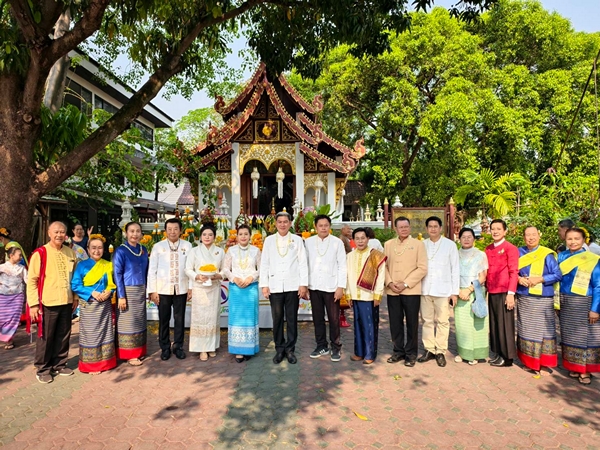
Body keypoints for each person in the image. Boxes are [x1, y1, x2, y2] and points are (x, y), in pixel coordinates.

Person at [27, 221, 78, 384]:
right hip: (47, 302)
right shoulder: (40, 253)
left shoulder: (71, 253)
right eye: (56, 232)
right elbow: (32, 280)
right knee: (46, 336)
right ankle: (43, 368)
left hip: (66, 300)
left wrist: (75, 298)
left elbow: (75, 278)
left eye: (62, 232)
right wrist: (33, 304)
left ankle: (59, 364)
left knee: (63, 335)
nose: (59, 235)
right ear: (49, 233)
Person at [260, 211, 308, 365]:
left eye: (285, 222)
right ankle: (280, 349)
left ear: (290, 223)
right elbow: (264, 263)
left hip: (293, 285)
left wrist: (303, 284)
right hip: (275, 286)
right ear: (275, 224)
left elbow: (302, 263)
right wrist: (264, 285)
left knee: (292, 319)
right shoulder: (269, 240)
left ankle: (290, 349)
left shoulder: (297, 240)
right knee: (277, 319)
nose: (282, 224)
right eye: (279, 222)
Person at [516, 226, 562, 375]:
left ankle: (544, 364)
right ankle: (529, 362)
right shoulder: (518, 252)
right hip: (525, 297)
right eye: (527, 235)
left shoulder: (546, 254)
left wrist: (540, 279)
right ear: (523, 237)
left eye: (533, 234)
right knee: (526, 330)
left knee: (544, 331)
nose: (531, 237)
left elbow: (557, 275)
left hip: (543, 298)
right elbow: (511, 271)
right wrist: (518, 279)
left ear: (539, 236)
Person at [558, 227, 600, 385]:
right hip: (566, 302)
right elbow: (557, 280)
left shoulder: (592, 259)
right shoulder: (561, 256)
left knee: (586, 338)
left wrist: (595, 309)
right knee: (570, 336)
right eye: (569, 239)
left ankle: (586, 371)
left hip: (585, 302)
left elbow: (598, 285)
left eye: (577, 238)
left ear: (583, 240)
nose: (573, 242)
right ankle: (575, 367)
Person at [384, 217, 427, 367]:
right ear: (395, 229)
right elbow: (384, 266)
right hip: (393, 290)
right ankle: (398, 351)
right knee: (395, 323)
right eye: (401, 227)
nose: (404, 229)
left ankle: (411, 354)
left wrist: (406, 283)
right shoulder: (388, 244)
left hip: (411, 290)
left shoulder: (418, 244)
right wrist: (389, 282)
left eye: (406, 227)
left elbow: (422, 268)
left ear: (410, 228)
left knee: (412, 323)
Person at [148, 218, 193, 361]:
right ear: (165, 231)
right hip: (163, 289)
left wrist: (191, 288)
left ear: (181, 230)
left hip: (181, 288)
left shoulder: (187, 246)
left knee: (180, 319)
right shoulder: (158, 246)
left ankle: (178, 347)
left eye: (175, 229)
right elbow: (152, 270)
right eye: (169, 229)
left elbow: (191, 268)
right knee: (164, 319)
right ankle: (165, 347)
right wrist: (152, 291)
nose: (172, 232)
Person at [71, 236, 117, 374]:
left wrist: (109, 291)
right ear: (88, 249)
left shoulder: (108, 265)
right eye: (94, 248)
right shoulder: (82, 265)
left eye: (100, 248)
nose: (97, 251)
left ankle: (106, 362)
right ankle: (92, 365)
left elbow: (112, 284)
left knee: (106, 333)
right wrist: (92, 292)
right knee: (91, 334)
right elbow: (75, 285)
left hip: (104, 304)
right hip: (89, 305)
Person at [418, 216, 459, 367]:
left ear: (440, 228)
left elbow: (455, 269)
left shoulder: (450, 245)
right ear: (426, 229)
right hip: (425, 289)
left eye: (436, 226)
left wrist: (454, 292)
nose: (433, 229)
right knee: (427, 321)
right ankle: (429, 349)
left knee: (443, 321)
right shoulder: (422, 245)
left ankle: (440, 350)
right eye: (430, 226)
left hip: (443, 290)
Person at [305, 215, 347, 362]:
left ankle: (336, 347)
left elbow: (342, 266)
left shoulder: (337, 242)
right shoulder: (308, 242)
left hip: (332, 286)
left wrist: (341, 287)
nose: (323, 228)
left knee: (334, 319)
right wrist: (305, 285)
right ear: (315, 227)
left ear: (330, 226)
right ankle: (321, 345)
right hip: (314, 285)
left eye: (326, 225)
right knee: (317, 318)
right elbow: (304, 264)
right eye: (320, 225)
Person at [346, 228, 386, 364]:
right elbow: (347, 276)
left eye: (363, 238)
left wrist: (378, 294)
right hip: (355, 295)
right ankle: (359, 352)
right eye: (357, 238)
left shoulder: (375, 255)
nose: (360, 241)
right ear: (353, 240)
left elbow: (381, 276)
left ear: (368, 239)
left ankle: (370, 354)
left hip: (369, 296)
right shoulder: (350, 256)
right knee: (357, 325)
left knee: (369, 325)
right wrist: (348, 294)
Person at [222, 224, 261, 362]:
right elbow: (225, 269)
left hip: (251, 288)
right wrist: (235, 278)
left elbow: (261, 268)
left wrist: (251, 278)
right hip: (236, 288)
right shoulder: (231, 250)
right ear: (237, 236)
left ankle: (249, 348)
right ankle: (238, 350)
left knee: (250, 318)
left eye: (246, 234)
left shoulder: (256, 250)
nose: (243, 236)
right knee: (237, 317)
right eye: (240, 234)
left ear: (250, 236)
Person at [185, 224, 225, 361]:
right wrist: (197, 276)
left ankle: (211, 346)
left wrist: (218, 275)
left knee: (213, 317)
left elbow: (224, 269)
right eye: (204, 235)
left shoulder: (220, 251)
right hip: (199, 287)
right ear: (200, 237)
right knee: (200, 318)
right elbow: (188, 269)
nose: (207, 237)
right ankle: (202, 348)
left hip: (214, 287)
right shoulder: (194, 251)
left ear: (214, 237)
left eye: (210, 235)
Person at [113, 221, 149, 366]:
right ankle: (129, 354)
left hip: (140, 290)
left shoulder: (143, 249)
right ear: (126, 233)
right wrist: (121, 295)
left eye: (138, 231)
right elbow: (117, 273)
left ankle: (139, 350)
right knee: (127, 323)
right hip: (127, 290)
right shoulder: (120, 251)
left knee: (139, 321)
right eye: (132, 231)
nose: (135, 234)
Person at [485, 219, 519, 367]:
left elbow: (514, 271)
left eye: (499, 229)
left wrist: (511, 293)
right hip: (492, 290)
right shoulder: (488, 249)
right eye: (493, 229)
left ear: (505, 231)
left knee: (505, 325)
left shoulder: (510, 248)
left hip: (505, 291)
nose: (495, 231)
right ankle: (498, 353)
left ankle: (507, 357)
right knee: (495, 324)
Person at [455, 228, 489, 365]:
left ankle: (477, 354)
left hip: (476, 291)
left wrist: (469, 290)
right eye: (464, 237)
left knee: (478, 323)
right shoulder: (455, 254)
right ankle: (464, 353)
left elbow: (483, 276)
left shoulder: (481, 255)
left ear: (474, 239)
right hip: (459, 292)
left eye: (469, 237)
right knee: (462, 324)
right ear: (459, 239)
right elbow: (451, 274)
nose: (466, 239)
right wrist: (458, 291)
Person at [0, 247, 27, 349]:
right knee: (3, 318)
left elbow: (28, 280)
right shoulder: (2, 267)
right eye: (19, 255)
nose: (21, 257)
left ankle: (9, 340)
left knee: (14, 318)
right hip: (3, 296)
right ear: (11, 255)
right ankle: (5, 337)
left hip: (17, 296)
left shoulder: (22, 268)